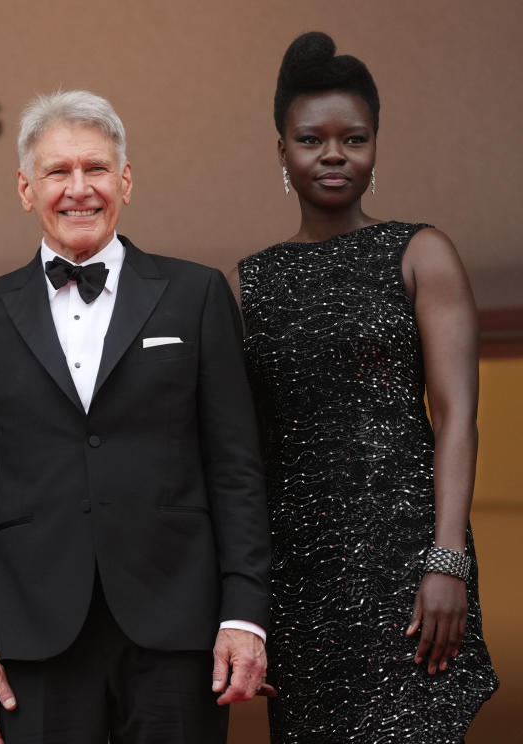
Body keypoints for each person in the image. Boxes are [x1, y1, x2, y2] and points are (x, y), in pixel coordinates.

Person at [0, 90, 272, 744]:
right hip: (32, 638)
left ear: (125, 180)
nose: (78, 189)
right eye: (57, 172)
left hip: (177, 628)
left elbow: (237, 468)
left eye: (94, 169)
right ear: (25, 189)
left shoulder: (196, 294)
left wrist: (244, 616)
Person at [231, 31, 499, 743]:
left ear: (375, 147)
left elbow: (458, 417)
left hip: (407, 566)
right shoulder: (251, 282)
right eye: (311, 139)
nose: (332, 155)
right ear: (281, 151)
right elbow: (243, 452)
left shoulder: (420, 253)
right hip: (299, 584)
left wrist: (448, 560)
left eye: (354, 138)